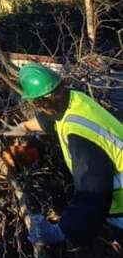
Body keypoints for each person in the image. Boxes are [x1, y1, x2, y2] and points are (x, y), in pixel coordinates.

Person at [7, 64, 123, 246]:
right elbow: (51, 117)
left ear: (38, 102)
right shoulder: (75, 99)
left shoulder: (79, 136)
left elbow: (93, 194)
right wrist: (23, 127)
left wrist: (59, 231)